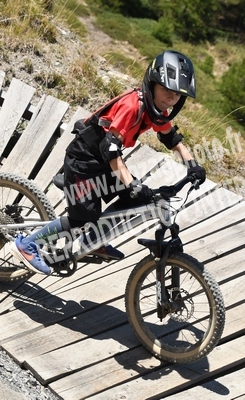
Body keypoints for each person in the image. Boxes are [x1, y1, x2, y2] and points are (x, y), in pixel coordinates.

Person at [10, 50, 206, 275]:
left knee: (133, 199)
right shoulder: (132, 107)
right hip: (84, 161)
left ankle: (93, 240)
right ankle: (27, 245)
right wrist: (131, 183)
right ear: (152, 84)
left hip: (102, 163)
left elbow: (170, 138)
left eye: (177, 94)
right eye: (166, 90)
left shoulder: (155, 109)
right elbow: (111, 150)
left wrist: (192, 164)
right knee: (81, 219)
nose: (171, 98)